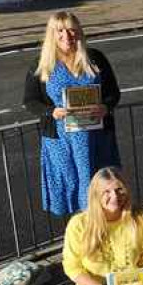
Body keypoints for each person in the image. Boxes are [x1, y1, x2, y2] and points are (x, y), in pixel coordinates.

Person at [24, 12, 120, 220]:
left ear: (79, 32)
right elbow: (30, 101)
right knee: (70, 187)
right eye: (60, 30)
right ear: (52, 34)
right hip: (61, 141)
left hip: (97, 138)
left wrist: (106, 106)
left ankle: (104, 230)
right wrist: (51, 112)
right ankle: (79, 235)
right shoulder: (42, 64)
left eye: (71, 29)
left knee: (103, 186)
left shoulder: (94, 58)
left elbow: (113, 92)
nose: (67, 35)